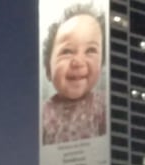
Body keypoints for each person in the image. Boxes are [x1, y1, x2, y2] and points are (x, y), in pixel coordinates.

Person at [42, 4, 107, 146]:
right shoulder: (42, 113)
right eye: (67, 51)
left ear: (101, 65)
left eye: (90, 50)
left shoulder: (103, 106)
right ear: (48, 69)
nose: (78, 62)